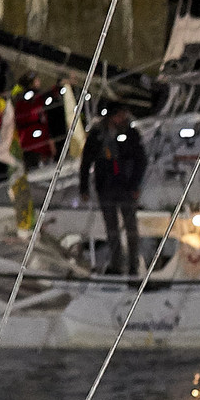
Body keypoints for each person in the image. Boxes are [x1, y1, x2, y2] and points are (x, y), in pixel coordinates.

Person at [79, 102, 147, 277]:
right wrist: (84, 187)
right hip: (105, 187)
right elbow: (86, 161)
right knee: (111, 229)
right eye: (119, 115)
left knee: (131, 228)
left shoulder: (131, 134)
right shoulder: (97, 135)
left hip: (126, 187)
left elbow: (141, 161)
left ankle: (133, 265)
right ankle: (117, 264)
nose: (122, 118)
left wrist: (135, 185)